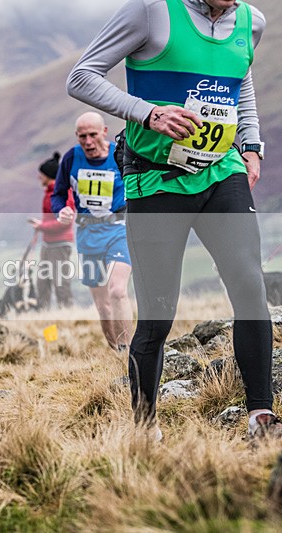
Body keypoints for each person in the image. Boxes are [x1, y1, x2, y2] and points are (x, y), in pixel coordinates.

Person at [68, 0, 276, 438]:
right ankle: (145, 423)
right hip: (157, 181)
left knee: (250, 288)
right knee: (158, 315)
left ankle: (261, 415)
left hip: (222, 171)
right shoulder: (150, 12)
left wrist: (251, 143)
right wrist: (149, 113)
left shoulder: (250, 22)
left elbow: (242, 78)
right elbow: (82, 76)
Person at [52, 112, 133, 351]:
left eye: (93, 135)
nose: (88, 142)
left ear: (104, 132)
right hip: (88, 234)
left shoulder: (120, 155)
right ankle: (116, 350)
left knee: (117, 290)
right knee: (103, 305)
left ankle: (130, 352)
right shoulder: (71, 158)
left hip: (119, 229)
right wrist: (62, 210)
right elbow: (58, 194)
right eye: (82, 137)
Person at [29, 152, 75, 310]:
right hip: (49, 244)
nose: (39, 177)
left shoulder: (62, 194)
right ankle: (44, 314)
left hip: (60, 244)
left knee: (60, 282)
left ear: (49, 175)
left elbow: (65, 222)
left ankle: (67, 314)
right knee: (43, 282)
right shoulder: (49, 193)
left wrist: (41, 226)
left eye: (41, 174)